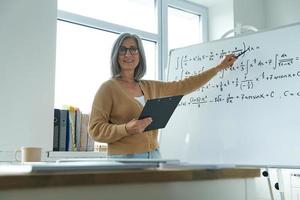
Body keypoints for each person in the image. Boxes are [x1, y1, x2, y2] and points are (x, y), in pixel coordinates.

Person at [88, 32, 237, 159]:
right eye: (123, 49)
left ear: (140, 55)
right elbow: (95, 130)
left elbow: (185, 85)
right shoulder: (107, 89)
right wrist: (126, 128)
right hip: (124, 159)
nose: (128, 54)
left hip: (154, 155)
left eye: (133, 49)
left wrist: (218, 68)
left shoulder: (151, 87)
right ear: (116, 55)